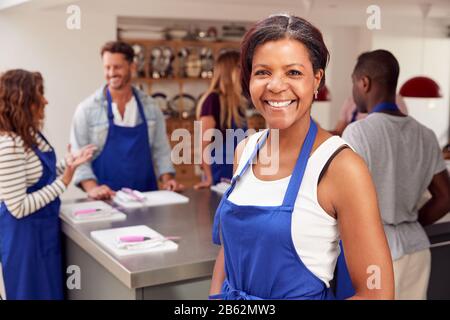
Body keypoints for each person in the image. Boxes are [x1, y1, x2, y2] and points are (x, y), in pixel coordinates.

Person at [209, 15, 394, 300]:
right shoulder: (244, 151)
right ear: (249, 81)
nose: (276, 85)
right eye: (262, 72)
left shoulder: (341, 168)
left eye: (293, 72)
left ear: (316, 79)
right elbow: (228, 250)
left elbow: (377, 293)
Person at [342, 50, 450, 299]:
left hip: (378, 253)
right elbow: (445, 197)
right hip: (417, 249)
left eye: (353, 83)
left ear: (364, 82)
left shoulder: (358, 133)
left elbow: (347, 200)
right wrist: (408, 223)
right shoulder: (425, 134)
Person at [0, 69, 95, 299]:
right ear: (22, 100)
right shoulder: (9, 145)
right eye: (39, 93)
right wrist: (64, 181)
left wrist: (69, 163)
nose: (46, 100)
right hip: (24, 240)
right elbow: (18, 207)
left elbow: (42, 176)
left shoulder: (31, 134)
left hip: (43, 232)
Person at [70, 41, 183, 200]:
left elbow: (161, 150)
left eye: (117, 67)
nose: (111, 73)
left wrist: (168, 180)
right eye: (107, 67)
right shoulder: (87, 110)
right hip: (105, 200)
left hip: (146, 199)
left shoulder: (150, 107)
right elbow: (79, 157)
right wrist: (93, 189)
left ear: (132, 67)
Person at [194, 50, 247, 189]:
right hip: (218, 174)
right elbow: (204, 144)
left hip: (236, 172)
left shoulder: (237, 103)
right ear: (230, 71)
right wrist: (208, 178)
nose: (244, 72)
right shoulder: (213, 100)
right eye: (240, 67)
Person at [331, 94, 408, 136]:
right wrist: (320, 132)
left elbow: (399, 134)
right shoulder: (351, 101)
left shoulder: (396, 101)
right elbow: (339, 132)